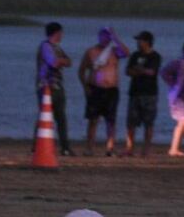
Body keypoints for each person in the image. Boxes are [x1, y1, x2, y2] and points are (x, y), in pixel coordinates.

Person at [78, 27, 129, 156]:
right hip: (95, 90)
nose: (105, 39)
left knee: (111, 120)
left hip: (111, 90)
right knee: (93, 120)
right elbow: (82, 70)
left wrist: (115, 37)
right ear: (99, 37)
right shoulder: (91, 52)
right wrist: (85, 87)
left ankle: (110, 148)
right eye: (103, 36)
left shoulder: (114, 51)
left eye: (108, 37)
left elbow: (127, 53)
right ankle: (89, 148)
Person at [35, 22, 73, 155]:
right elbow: (54, 63)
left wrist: (62, 61)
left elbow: (69, 61)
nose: (62, 35)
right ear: (56, 33)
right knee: (45, 115)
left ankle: (65, 147)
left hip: (58, 85)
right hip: (46, 87)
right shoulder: (45, 46)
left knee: (61, 117)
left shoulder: (58, 48)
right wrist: (61, 61)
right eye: (61, 33)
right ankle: (37, 145)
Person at [124, 30, 162, 157]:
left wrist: (140, 70)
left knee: (148, 122)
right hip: (135, 92)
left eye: (140, 40)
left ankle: (146, 149)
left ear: (147, 42)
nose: (138, 43)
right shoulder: (135, 55)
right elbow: (128, 71)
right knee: (131, 122)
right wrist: (140, 71)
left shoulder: (155, 56)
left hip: (149, 94)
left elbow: (152, 72)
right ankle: (129, 148)